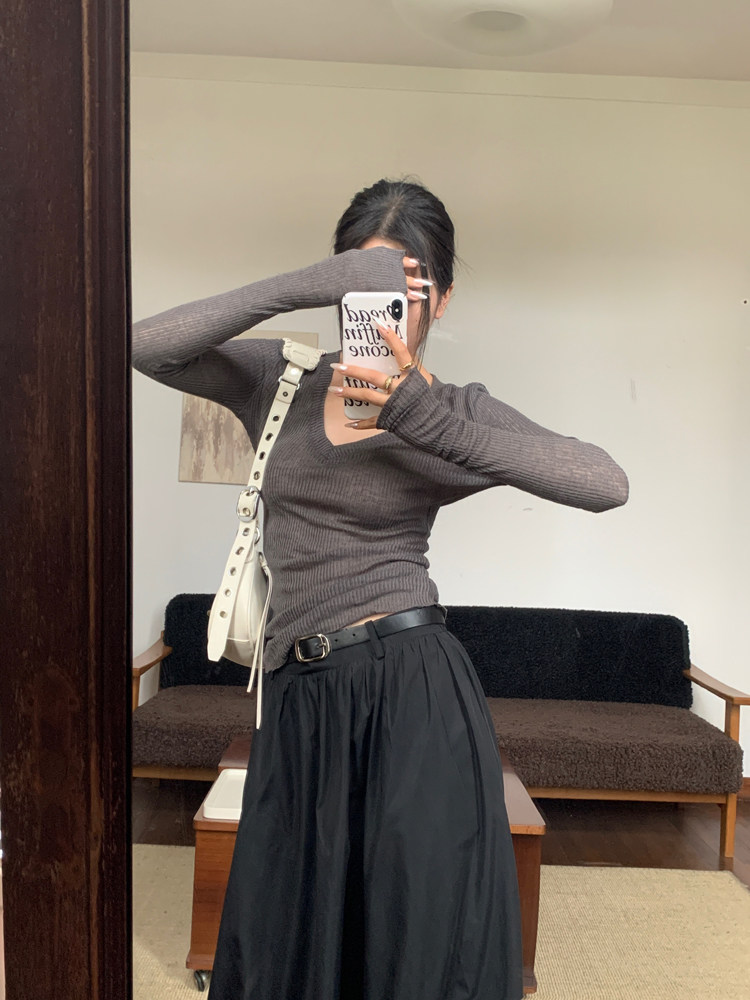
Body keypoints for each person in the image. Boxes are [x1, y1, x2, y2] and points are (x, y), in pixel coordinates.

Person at [132, 178, 628, 1000]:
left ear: (444, 298)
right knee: (289, 934)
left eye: (409, 287)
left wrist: (420, 417)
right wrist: (308, 284)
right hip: (298, 701)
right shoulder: (280, 381)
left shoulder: (453, 410)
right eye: (361, 282)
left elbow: (604, 481)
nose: (383, 305)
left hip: (412, 692)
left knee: (416, 939)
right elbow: (147, 346)